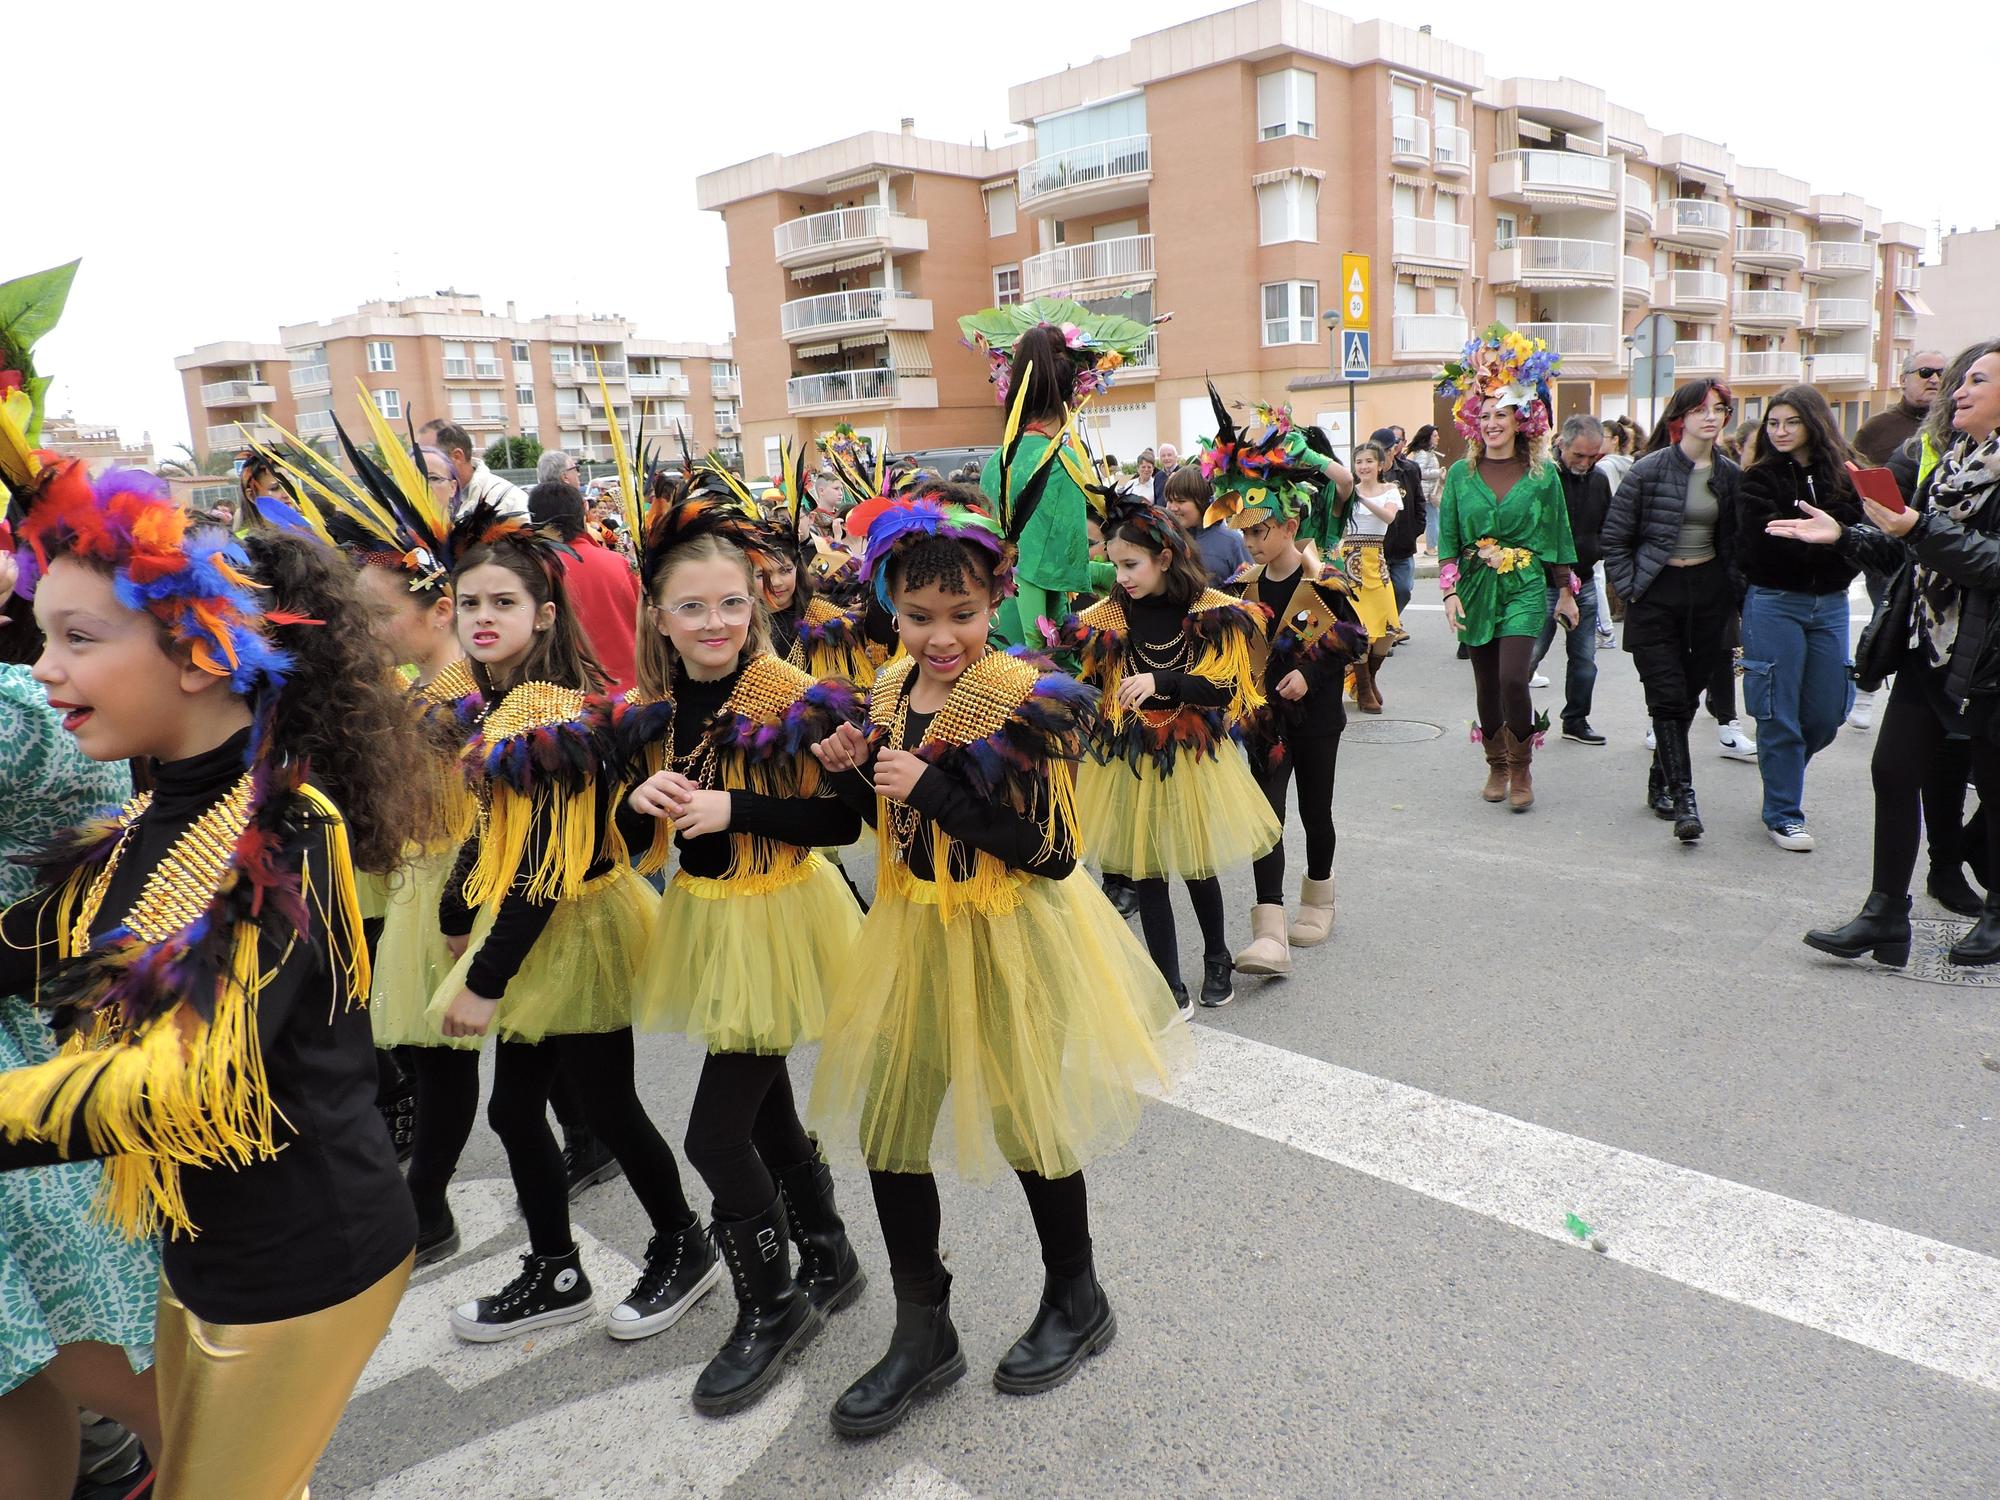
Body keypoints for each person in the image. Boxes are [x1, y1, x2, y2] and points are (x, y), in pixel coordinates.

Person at [0, 460, 436, 1498]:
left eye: (78, 638)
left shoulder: (282, 831)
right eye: (42, 634)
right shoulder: (142, 829)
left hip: (307, 1264)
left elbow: (184, 1078)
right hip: (202, 1248)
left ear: (198, 653)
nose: (43, 669)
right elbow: (22, 948)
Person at [805, 487, 1191, 1436]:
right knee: (888, 1128)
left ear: (997, 601)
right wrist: (855, 763)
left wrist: (933, 788)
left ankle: (1077, 1296)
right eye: (920, 616)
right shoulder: (891, 687)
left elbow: (1054, 852)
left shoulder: (1025, 697)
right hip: (911, 929)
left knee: (1029, 1125)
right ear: (891, 604)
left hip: (1009, 930)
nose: (942, 636)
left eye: (964, 616)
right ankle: (921, 1328)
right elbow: (878, 820)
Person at [618, 475, 867, 1414]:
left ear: (758, 599)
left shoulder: (791, 692)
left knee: (714, 1134)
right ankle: (830, 1256)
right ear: (661, 616)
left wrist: (740, 806)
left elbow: (846, 821)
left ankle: (774, 1306)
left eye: (731, 601)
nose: (715, 621)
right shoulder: (657, 701)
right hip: (711, 920)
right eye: (693, 607)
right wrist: (632, 798)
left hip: (783, 920)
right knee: (762, 1108)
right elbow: (631, 819)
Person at [428, 507, 705, 1345]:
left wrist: (483, 981)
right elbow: (496, 830)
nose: (482, 617)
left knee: (608, 1105)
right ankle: (558, 1270)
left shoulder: (544, 713)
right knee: (517, 1111)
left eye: (503, 603)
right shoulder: (502, 703)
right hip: (540, 928)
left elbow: (547, 861)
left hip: (574, 928)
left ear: (543, 616)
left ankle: (682, 1246)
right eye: (467, 601)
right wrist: (454, 905)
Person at [266, 413, 491, 1265]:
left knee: (461, 1059)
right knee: (436, 1056)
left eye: (378, 614)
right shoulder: (410, 683)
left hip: (468, 880)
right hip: (424, 876)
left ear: (438, 610)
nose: (368, 629)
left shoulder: (467, 689)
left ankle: (427, 1206)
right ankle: (431, 1201)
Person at [0, 550, 161, 1500]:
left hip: (35, 1088)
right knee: (17, 1375)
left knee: (106, 1354)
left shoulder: (26, 716)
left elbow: (123, 846)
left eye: (82, 637)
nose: (55, 663)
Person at [1778, 339, 2000, 964]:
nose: (1956, 390)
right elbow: (1908, 555)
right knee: (1892, 771)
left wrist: (1916, 528)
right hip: (1929, 646)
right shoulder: (1952, 463)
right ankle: (1884, 916)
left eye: (1975, 381)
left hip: (1989, 658)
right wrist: (1845, 536)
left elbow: (1990, 563)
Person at [1055, 491, 1280, 1012]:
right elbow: (1091, 686)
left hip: (1193, 754)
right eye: (1113, 565)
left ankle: (1218, 958)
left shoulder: (1212, 612)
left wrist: (1163, 681)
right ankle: (1168, 982)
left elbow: (1227, 690)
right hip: (1130, 757)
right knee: (1147, 869)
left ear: (1164, 558)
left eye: (1131, 564)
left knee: (1199, 866)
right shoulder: (1105, 617)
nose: (1123, 577)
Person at [1206, 450, 1366, 978]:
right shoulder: (1242, 584)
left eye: (1261, 531)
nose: (1251, 543)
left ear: (1291, 525)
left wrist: (1312, 673)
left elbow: (1352, 638)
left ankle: (1319, 898)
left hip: (1317, 721)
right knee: (1265, 821)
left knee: (1315, 814)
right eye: (1245, 533)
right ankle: (1269, 931)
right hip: (1264, 724)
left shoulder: (1324, 580)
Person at [1435, 326, 1579, 812]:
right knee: (1485, 684)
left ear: (1521, 421)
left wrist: (1565, 590)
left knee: (1514, 677)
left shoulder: (1543, 475)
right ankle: (1496, 764)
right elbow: (1449, 540)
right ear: (1475, 424)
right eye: (1486, 415)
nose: (1493, 422)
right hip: (1475, 586)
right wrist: (1450, 593)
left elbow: (1559, 533)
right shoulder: (1460, 474)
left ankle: (1522, 769)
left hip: (1523, 585)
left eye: (1503, 414)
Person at [964, 306, 1154, 645]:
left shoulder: (996, 461)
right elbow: (1053, 568)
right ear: (1072, 395)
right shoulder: (1060, 461)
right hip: (1036, 635)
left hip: (991, 625)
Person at [1602, 379, 1740, 841]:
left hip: (1708, 594)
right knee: (1665, 693)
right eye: (1700, 408)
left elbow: (1737, 543)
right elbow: (1615, 536)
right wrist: (1630, 587)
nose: (1710, 416)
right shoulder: (1649, 470)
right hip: (1656, 593)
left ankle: (1660, 780)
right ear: (1680, 416)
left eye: (1718, 409)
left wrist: (1735, 593)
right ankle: (1685, 800)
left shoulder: (1730, 475)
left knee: (1685, 697)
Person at [1732, 386, 1864, 852]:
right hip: (1773, 602)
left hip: (1829, 604)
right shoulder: (1758, 479)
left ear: (1814, 422)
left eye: (1791, 422)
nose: (1781, 431)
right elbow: (1759, 544)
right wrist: (1820, 542)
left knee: (1828, 713)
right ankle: (1784, 812)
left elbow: (1858, 539)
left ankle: (1780, 773)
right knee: (1778, 713)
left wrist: (1830, 542)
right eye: (1773, 423)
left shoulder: (1846, 477)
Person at [1532, 415, 1612, 745]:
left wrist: (1600, 549)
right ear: (1561, 445)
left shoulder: (1599, 480)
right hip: (1544, 585)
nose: (1585, 463)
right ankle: (1511, 721)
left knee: (1584, 662)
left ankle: (1576, 720)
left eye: (1593, 456)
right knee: (1528, 656)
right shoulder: (1544, 478)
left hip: (1586, 581)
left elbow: (1608, 523)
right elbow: (1541, 533)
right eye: (1579, 455)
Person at [528, 479, 640, 697]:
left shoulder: (534, 572)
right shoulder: (618, 563)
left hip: (569, 703)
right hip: (632, 696)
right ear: (584, 511)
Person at [1340, 441, 1405, 713]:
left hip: (1375, 559)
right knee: (1360, 628)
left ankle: (1369, 678)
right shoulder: (1346, 492)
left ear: (1381, 465)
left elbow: (1389, 518)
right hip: (1349, 559)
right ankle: (1365, 689)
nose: (1363, 466)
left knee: (1389, 628)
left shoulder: (1390, 490)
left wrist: (1362, 499)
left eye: (1368, 461)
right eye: (1358, 462)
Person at [1855, 349, 1948, 466]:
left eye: (1942, 373)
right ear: (1903, 380)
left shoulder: (1957, 425)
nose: (1935, 380)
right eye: (1925, 372)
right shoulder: (1877, 427)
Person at [421, 419, 528, 518]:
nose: (418, 464)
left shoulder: (508, 501)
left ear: (457, 456)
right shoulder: (422, 500)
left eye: (428, 455)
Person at [1163, 466, 1251, 584]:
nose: (1172, 508)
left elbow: (1251, 587)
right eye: (1169, 500)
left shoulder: (1231, 542)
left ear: (1201, 502)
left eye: (1181, 501)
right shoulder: (1167, 540)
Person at [1375, 426, 1425, 621]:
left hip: (1404, 545)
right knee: (1379, 593)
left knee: (1403, 589)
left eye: (1383, 451)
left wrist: (1416, 529)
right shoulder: (1369, 473)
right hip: (1378, 546)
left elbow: (1419, 501)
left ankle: (1391, 622)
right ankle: (1387, 629)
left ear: (1392, 450)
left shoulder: (1409, 470)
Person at [1407, 423, 1444, 557]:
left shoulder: (1429, 453)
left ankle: (1432, 546)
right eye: (1434, 435)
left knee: (1433, 518)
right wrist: (1438, 472)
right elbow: (1420, 472)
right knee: (1433, 519)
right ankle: (1431, 548)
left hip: (1429, 492)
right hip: (1427, 493)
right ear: (1427, 438)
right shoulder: (1423, 454)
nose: (1438, 437)